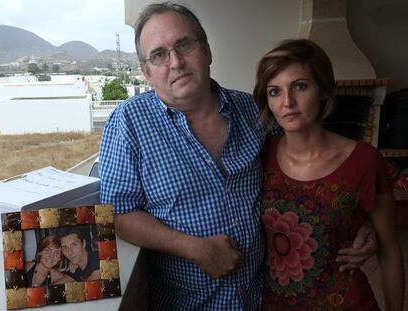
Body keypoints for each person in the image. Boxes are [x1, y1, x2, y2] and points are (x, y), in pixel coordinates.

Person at [99, 2, 377, 309]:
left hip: (265, 297)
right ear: (146, 72)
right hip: (189, 304)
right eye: (159, 54)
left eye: (184, 44)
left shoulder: (251, 111)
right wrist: (195, 249)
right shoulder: (128, 123)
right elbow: (118, 213)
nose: (175, 62)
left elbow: (300, 168)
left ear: (207, 51)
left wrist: (356, 219)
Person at [254, 39, 405, 310]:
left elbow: (390, 251)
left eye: (300, 86)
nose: (287, 102)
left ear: (323, 90)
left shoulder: (364, 161)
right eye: (275, 91)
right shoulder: (259, 155)